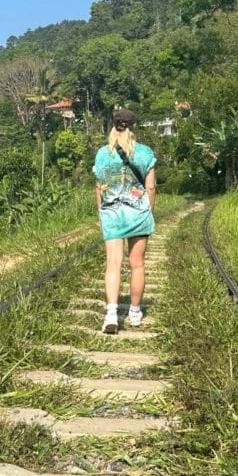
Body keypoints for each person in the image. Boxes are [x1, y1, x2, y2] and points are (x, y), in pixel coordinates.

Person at [92, 108, 157, 334]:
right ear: (133, 126)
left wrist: (102, 212)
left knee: (113, 264)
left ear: (114, 124)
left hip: (112, 214)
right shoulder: (145, 152)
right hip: (138, 212)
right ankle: (135, 312)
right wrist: (149, 210)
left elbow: (99, 186)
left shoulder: (102, 153)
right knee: (137, 264)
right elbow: (150, 186)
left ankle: (111, 313)